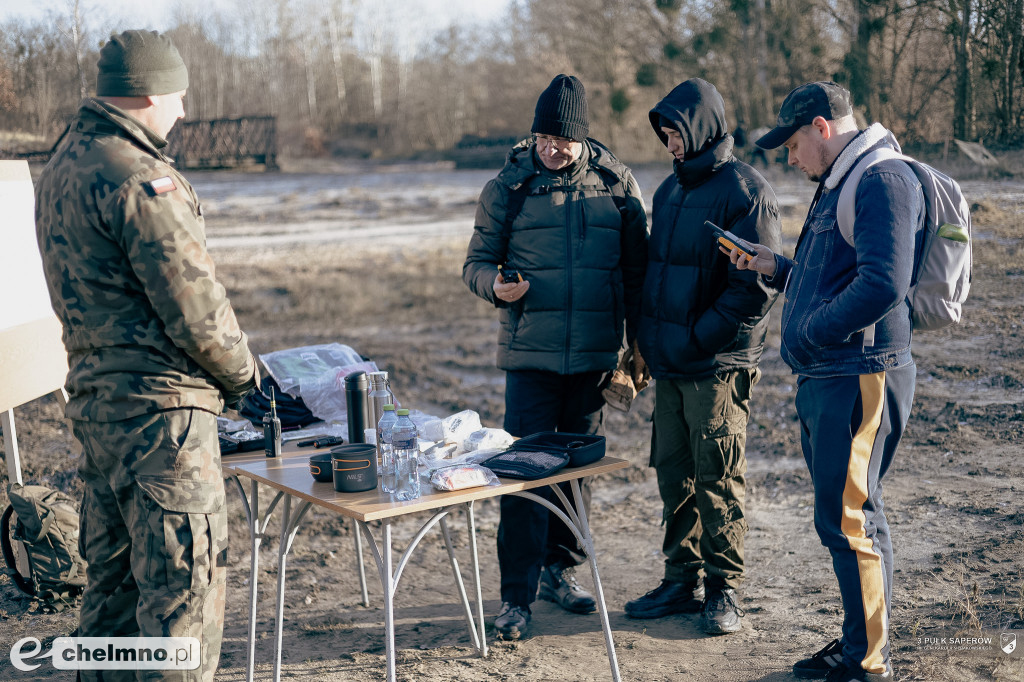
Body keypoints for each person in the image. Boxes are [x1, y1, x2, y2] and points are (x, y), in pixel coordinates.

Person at [35, 30, 258, 682]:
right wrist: (246, 378)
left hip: (99, 406)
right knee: (181, 600)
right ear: (151, 93)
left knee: (112, 594)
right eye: (179, 97)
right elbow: (199, 314)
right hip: (162, 417)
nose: (184, 111)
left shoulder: (64, 164)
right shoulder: (142, 178)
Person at [730, 81, 924, 682]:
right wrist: (778, 269)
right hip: (836, 374)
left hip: (858, 376)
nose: (790, 160)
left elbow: (882, 284)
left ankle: (867, 660)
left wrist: (810, 333)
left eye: (792, 146)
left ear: (820, 127)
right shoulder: (842, 178)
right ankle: (859, 644)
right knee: (849, 515)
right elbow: (842, 275)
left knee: (851, 519)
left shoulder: (880, 179)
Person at [463, 74, 649, 640]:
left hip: (594, 359)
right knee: (519, 477)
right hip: (529, 360)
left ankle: (559, 574)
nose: (550, 148)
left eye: (561, 140)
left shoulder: (616, 185)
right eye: (543, 136)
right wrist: (496, 286)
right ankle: (514, 597)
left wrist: (637, 350)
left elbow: (639, 274)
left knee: (574, 477)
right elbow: (474, 264)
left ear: (582, 139)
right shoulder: (508, 187)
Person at [623, 78, 781, 636]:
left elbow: (753, 290)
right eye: (664, 135)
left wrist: (696, 341)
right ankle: (679, 579)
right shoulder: (668, 192)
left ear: (702, 128)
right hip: (669, 366)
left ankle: (724, 589)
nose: (670, 144)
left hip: (716, 366)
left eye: (676, 133)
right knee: (675, 475)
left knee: (718, 476)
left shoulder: (746, 191)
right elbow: (652, 274)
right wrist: (645, 341)